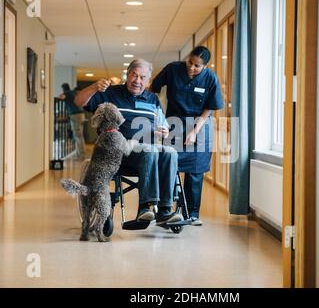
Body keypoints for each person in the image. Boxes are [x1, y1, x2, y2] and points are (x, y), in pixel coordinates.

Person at [74, 58, 183, 225]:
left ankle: (164, 210)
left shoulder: (153, 99)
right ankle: (146, 207)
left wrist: (165, 129)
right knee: (150, 150)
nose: (137, 81)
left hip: (147, 154)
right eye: (134, 75)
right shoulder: (110, 93)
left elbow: (163, 125)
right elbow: (79, 101)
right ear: (128, 73)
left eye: (143, 77)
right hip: (118, 153)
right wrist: (95, 87)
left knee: (170, 153)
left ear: (148, 80)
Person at [150, 46, 224, 226]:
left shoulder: (210, 78)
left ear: (205, 66)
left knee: (195, 172)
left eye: (197, 66)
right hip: (174, 124)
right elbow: (154, 89)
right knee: (168, 167)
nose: (191, 68)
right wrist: (156, 115)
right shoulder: (173, 69)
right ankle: (165, 210)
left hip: (200, 126)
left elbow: (209, 108)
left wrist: (194, 131)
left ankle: (191, 214)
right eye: (190, 62)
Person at [59, 83, 86, 160]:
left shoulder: (67, 93)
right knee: (80, 136)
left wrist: (64, 95)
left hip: (75, 115)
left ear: (63, 89)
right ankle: (79, 154)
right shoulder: (74, 92)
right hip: (81, 115)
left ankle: (81, 156)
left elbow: (61, 97)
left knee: (78, 136)